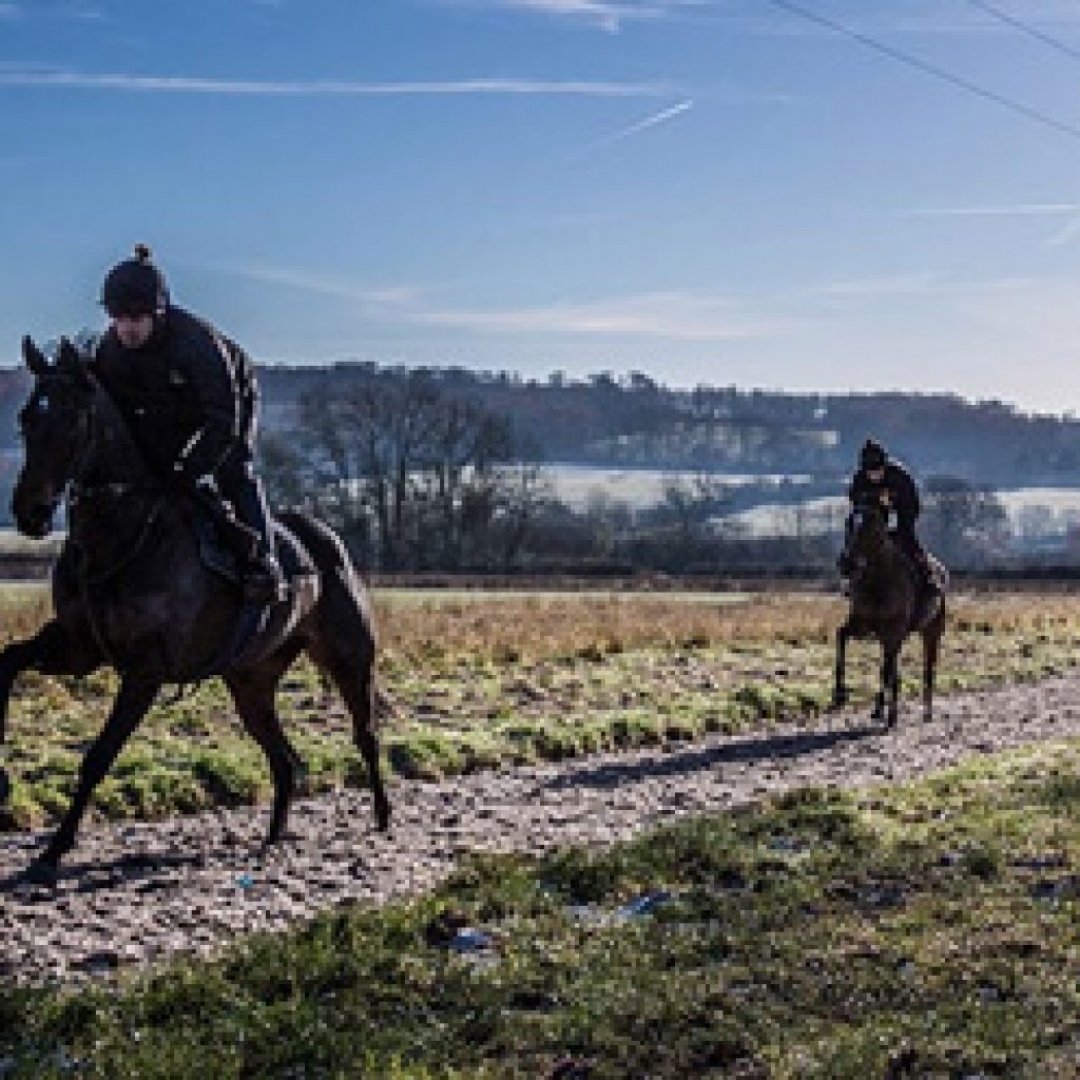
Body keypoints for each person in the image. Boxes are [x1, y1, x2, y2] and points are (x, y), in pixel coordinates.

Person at [92, 244, 286, 604]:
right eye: (120, 319)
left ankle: (265, 563)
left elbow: (222, 421)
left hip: (228, 397)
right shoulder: (110, 352)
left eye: (137, 319)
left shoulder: (196, 344)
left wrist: (188, 471)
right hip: (164, 405)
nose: (128, 329)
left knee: (233, 469)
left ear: (158, 314)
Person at [841, 437, 939, 595]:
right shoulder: (859, 478)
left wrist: (893, 502)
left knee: (907, 539)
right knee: (854, 529)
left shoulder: (900, 476)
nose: (874, 475)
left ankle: (927, 577)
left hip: (904, 511)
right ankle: (849, 573)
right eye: (870, 472)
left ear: (884, 465)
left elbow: (911, 504)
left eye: (878, 470)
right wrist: (876, 497)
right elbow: (854, 497)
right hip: (875, 513)